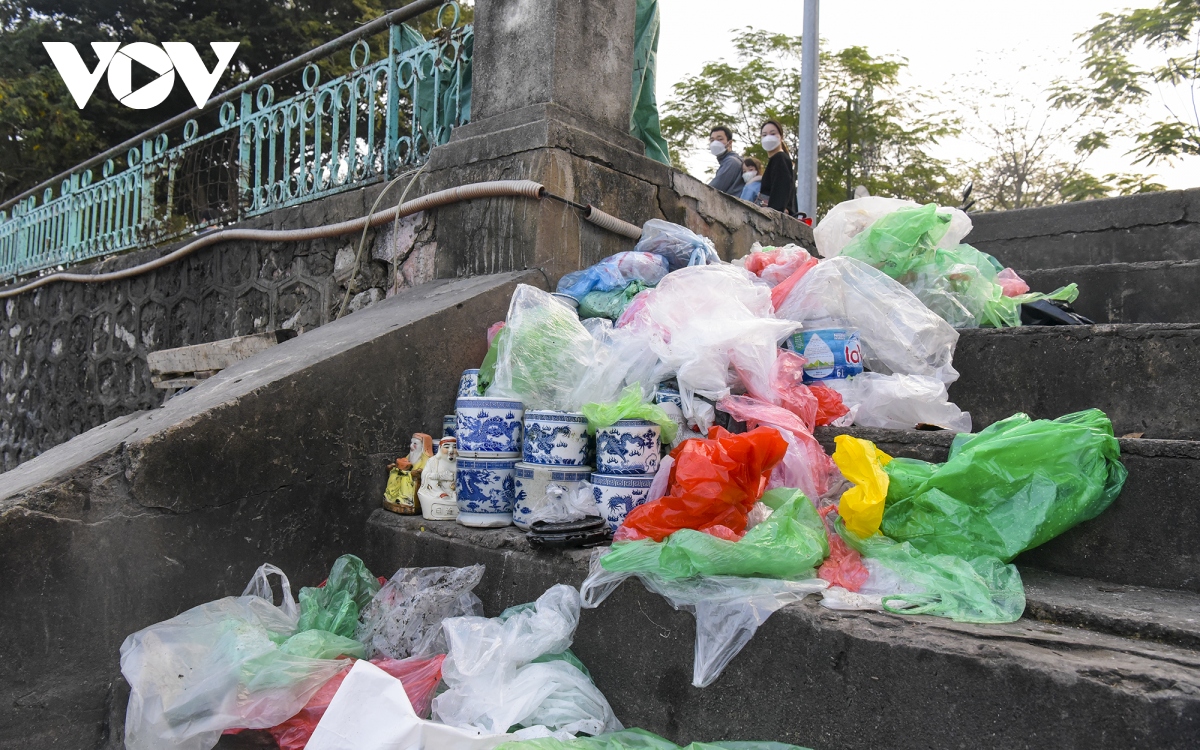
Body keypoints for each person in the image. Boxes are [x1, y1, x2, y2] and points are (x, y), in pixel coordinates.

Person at [756, 119, 797, 215]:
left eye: (773, 133)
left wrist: (773, 211)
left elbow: (781, 190)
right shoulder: (776, 160)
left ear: (781, 137)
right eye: (764, 135)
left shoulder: (780, 158)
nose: (768, 137)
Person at [707, 126, 743, 196]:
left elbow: (710, 190)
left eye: (719, 139)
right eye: (712, 140)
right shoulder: (732, 160)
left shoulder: (731, 162)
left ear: (729, 143)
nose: (715, 143)